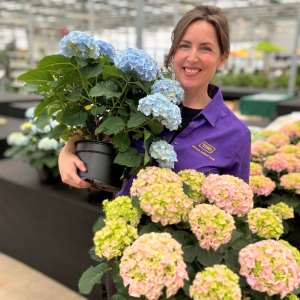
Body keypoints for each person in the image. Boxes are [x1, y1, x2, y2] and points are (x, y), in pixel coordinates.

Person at [58, 5, 251, 195]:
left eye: (206, 48)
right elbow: (96, 126)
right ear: (174, 52)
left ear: (222, 59)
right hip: (125, 223)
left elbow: (235, 205)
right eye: (184, 45)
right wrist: (67, 152)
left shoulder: (236, 135)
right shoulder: (139, 98)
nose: (192, 57)